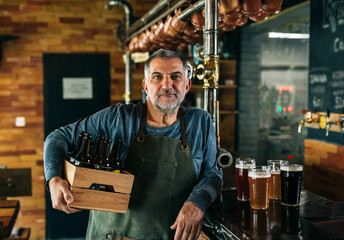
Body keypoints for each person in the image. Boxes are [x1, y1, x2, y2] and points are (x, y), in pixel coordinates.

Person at [43, 49, 223, 240]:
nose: (167, 84)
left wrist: (197, 202)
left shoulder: (200, 122)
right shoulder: (119, 117)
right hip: (112, 236)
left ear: (187, 85)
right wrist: (53, 179)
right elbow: (57, 138)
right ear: (146, 86)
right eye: (157, 77)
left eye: (175, 76)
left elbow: (212, 174)